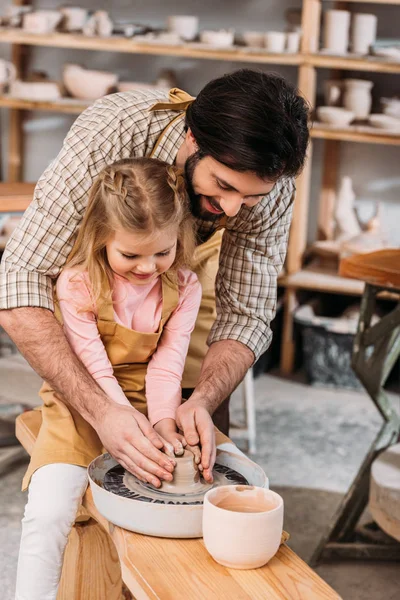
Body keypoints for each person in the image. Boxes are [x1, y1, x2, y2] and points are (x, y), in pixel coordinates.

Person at [0, 68, 310, 486]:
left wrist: (202, 399)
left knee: (201, 429)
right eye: (222, 184)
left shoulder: (270, 189)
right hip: (102, 263)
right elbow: (21, 280)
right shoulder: (112, 132)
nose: (236, 209)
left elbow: (245, 315)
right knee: (89, 431)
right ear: (192, 138)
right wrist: (103, 411)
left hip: (190, 270)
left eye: (251, 196)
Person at [15, 157, 203, 600]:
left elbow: (168, 364)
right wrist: (116, 419)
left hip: (154, 403)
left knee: (199, 495)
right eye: (131, 255)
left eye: (163, 251)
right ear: (101, 238)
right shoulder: (78, 283)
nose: (148, 267)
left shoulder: (185, 286)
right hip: (82, 403)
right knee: (48, 512)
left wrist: (162, 424)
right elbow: (93, 368)